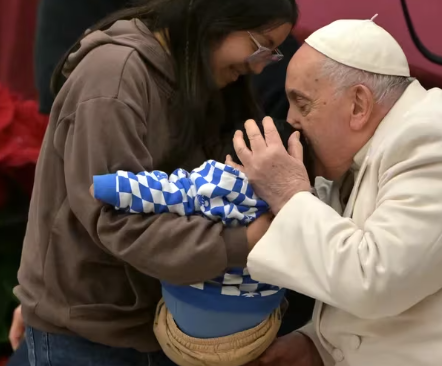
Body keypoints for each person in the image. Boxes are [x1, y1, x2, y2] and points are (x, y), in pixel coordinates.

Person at [231, 18, 442, 366]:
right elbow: (403, 274)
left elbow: (375, 281)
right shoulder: (370, 149)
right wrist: (318, 346)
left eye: (303, 104)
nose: (291, 120)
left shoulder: (433, 137)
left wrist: (290, 194)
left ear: (358, 106)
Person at [14, 0, 300, 365]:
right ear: (216, 17)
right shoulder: (114, 78)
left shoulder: (203, 77)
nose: (260, 64)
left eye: (274, 53)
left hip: (162, 325)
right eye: (260, 45)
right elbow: (115, 217)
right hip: (88, 337)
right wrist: (244, 241)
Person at [90, 160, 283, 365]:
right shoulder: (303, 200)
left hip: (186, 324)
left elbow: (165, 191)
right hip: (256, 329)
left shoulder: (222, 181)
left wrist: (111, 187)